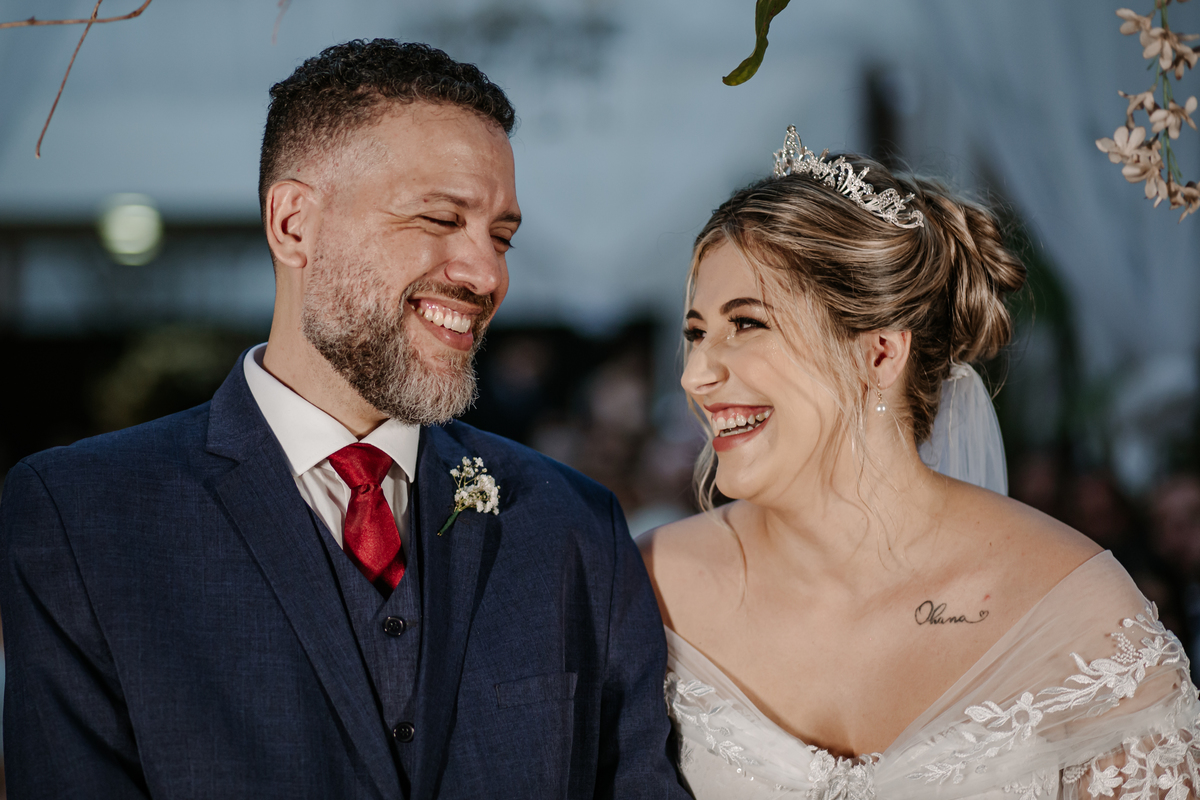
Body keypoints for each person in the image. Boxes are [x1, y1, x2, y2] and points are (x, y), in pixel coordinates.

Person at [0, 40, 688, 800]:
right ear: (294, 224)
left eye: (501, 237)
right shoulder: (81, 517)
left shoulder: (573, 526)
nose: (488, 273)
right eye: (440, 217)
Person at [638, 127, 1200, 799]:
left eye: (746, 323)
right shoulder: (649, 590)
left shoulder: (1082, 620)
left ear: (879, 353)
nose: (695, 375)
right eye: (696, 333)